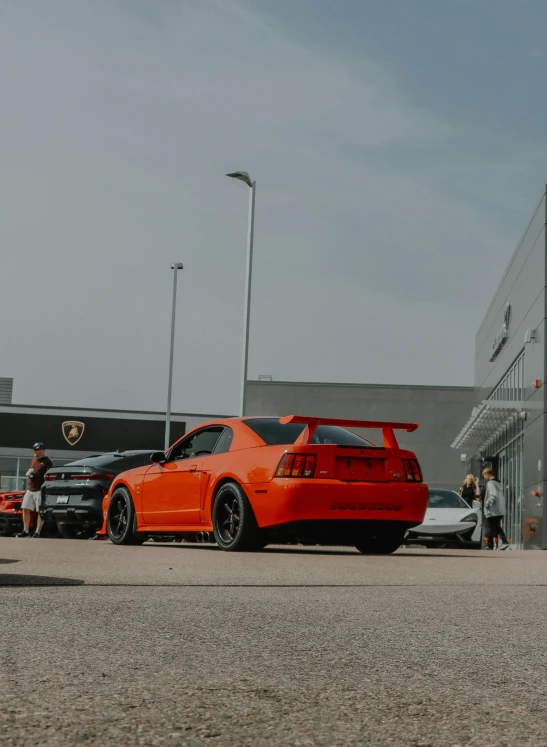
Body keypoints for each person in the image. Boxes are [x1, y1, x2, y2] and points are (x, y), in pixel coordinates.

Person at [15, 442, 53, 538]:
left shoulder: (47, 461)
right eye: (34, 449)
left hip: (40, 489)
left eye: (36, 449)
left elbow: (49, 475)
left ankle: (37, 532)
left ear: (41, 450)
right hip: (30, 488)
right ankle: (26, 530)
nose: (34, 451)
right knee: (25, 508)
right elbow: (31, 471)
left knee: (40, 511)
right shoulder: (33, 460)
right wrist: (28, 474)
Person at [482, 468, 510, 551]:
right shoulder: (499, 483)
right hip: (500, 509)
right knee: (495, 526)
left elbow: (493, 495)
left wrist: (487, 503)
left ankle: (490, 545)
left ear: (487, 474)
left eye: (484, 475)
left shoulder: (490, 483)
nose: (484, 477)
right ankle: (501, 542)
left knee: (491, 527)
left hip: (493, 510)